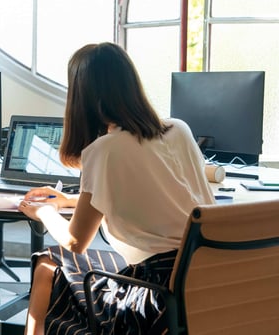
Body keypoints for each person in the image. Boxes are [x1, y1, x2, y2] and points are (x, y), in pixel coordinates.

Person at [17, 42, 215, 335]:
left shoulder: (105, 149)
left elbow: (75, 242)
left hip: (152, 297)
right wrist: (67, 201)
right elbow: (153, 194)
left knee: (47, 264)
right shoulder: (179, 129)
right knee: (54, 263)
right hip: (203, 279)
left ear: (82, 97)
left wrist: (45, 212)